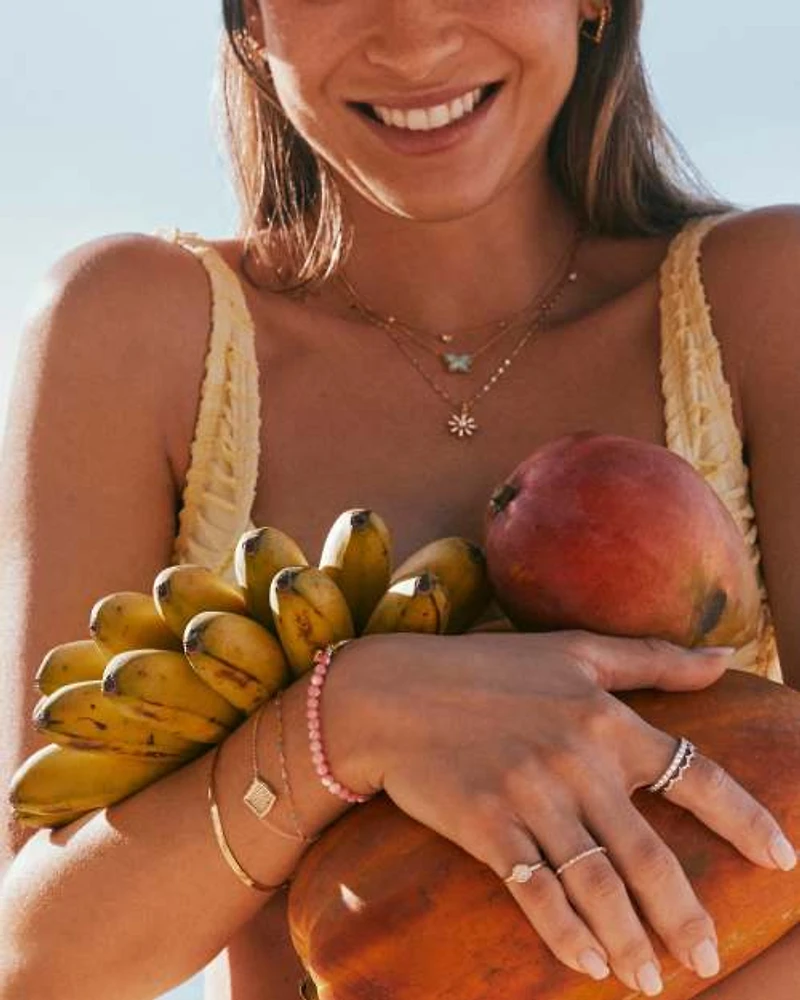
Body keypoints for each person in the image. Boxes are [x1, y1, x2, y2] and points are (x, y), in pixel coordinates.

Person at [0, 1, 798, 997]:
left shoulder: (765, 300)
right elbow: (39, 962)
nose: (414, 35)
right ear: (249, 18)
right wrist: (350, 723)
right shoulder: (131, 331)